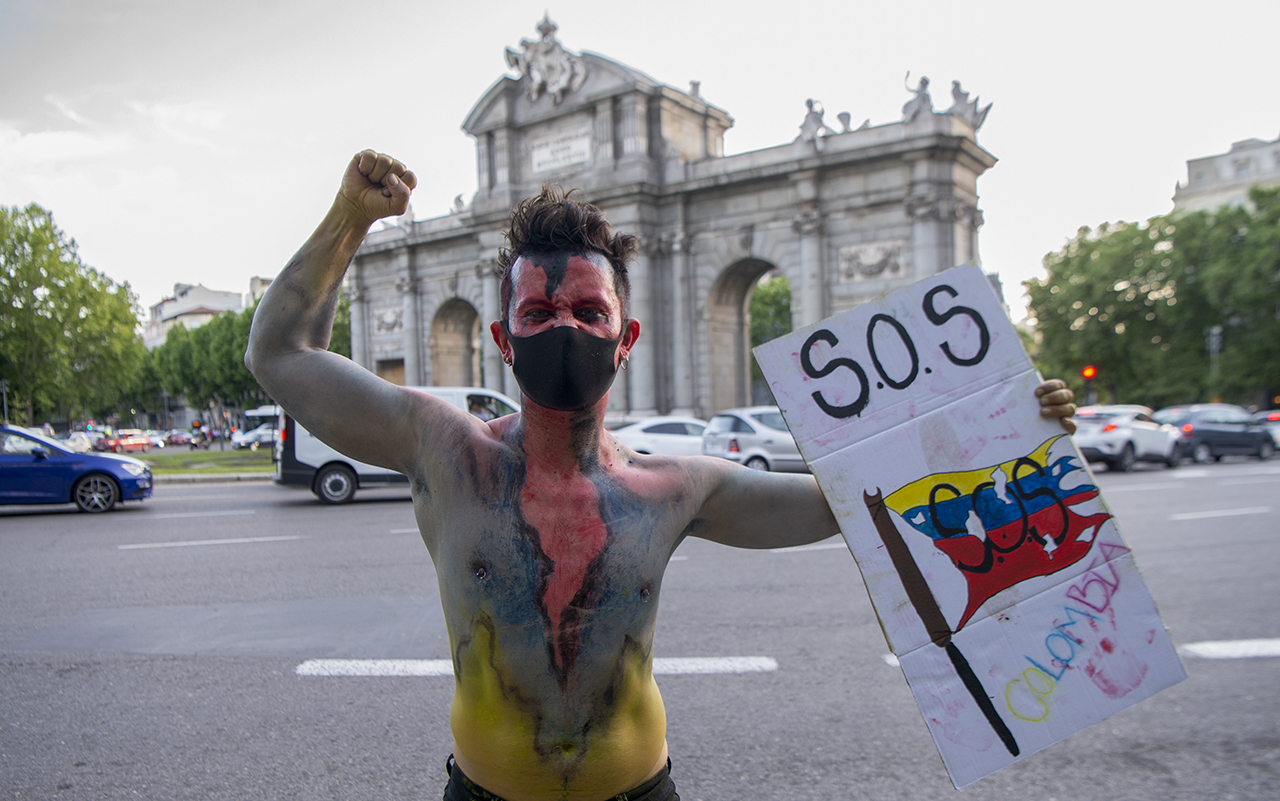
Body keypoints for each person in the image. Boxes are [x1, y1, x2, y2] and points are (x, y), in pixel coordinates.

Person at [245, 151, 1077, 801]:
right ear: (503, 340)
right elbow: (280, 353)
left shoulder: (675, 488)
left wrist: (996, 432)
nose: (562, 326)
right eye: (536, 313)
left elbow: (841, 503)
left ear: (626, 336)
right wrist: (351, 217)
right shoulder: (442, 449)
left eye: (588, 312)